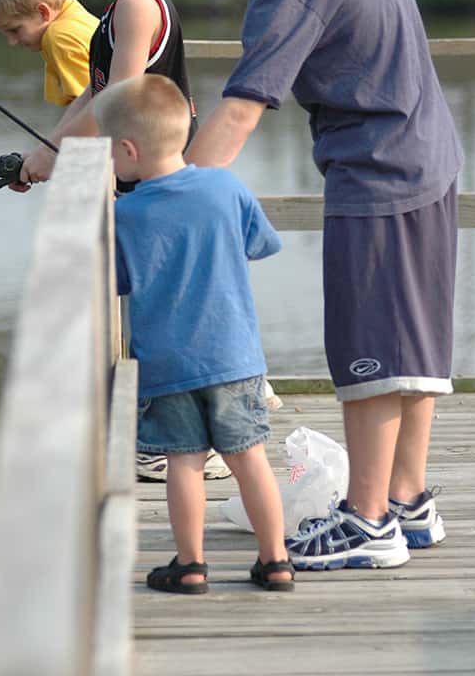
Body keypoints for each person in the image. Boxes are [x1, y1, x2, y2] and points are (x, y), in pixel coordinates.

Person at [133, 0, 464, 570]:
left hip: (376, 171)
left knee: (370, 355)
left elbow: (240, 113)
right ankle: (406, 502)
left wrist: (166, 198)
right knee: (412, 345)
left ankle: (368, 520)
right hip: (429, 152)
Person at [13, 0, 229, 482]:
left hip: (157, 183)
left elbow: (122, 102)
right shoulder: (121, 6)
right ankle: (173, 436)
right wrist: (46, 150)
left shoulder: (138, 4)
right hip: (136, 178)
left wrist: (55, 157)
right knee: (145, 310)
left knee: (161, 315)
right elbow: (95, 92)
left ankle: (179, 444)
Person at [93, 73, 293, 594]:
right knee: (250, 457)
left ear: (128, 149)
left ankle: (191, 564)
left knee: (184, 463)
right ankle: (275, 561)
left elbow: (114, 281)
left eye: (110, 153)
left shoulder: (125, 215)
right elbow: (259, 245)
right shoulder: (226, 186)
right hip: (235, 356)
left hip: (167, 365)